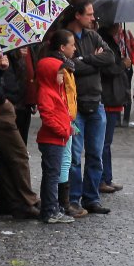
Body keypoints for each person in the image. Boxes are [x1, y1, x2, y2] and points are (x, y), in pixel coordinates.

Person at [64, 0, 116, 215]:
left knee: (95, 154)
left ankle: (91, 198)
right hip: (75, 105)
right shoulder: (64, 37)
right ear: (77, 15)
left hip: (96, 102)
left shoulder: (93, 35)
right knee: (75, 157)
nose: (93, 18)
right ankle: (73, 199)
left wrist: (84, 60)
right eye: (89, 14)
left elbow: (110, 58)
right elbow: (69, 66)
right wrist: (92, 61)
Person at [0, 45, 39, 219]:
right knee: (17, 155)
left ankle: (11, 202)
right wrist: (5, 100)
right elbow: (1, 80)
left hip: (19, 104)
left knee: (10, 157)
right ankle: (25, 201)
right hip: (7, 106)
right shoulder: (2, 49)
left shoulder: (21, 49)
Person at [34, 29, 76, 223]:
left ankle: (51, 208)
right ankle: (50, 210)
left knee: (53, 174)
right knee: (52, 175)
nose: (62, 77)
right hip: (53, 139)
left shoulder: (54, 90)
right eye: (59, 74)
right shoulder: (47, 92)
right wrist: (63, 130)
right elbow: (48, 116)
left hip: (57, 138)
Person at [97, 18, 132, 197]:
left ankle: (107, 177)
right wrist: (122, 64)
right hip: (108, 96)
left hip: (112, 96)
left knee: (107, 142)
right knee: (104, 142)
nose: (119, 28)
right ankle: (102, 179)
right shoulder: (103, 42)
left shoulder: (110, 41)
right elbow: (108, 69)